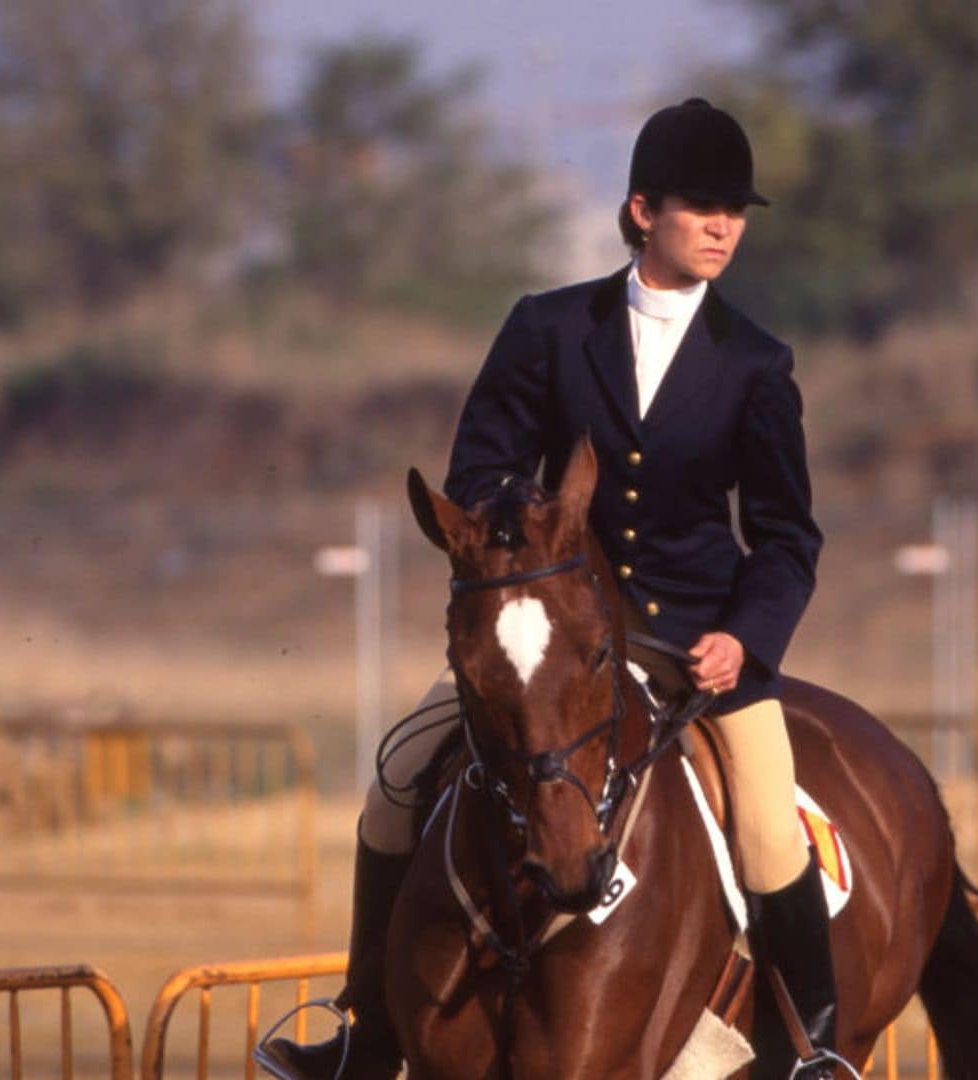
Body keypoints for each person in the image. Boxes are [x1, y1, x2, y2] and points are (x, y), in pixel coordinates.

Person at [260, 97, 837, 1079]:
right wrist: (529, 525)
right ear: (639, 211)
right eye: (702, 205)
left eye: (736, 210)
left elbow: (786, 539)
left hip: (700, 645)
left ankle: (807, 1050)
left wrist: (747, 637)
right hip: (550, 630)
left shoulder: (756, 365)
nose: (723, 226)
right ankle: (368, 1031)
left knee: (773, 830)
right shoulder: (548, 328)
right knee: (397, 784)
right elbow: (479, 466)